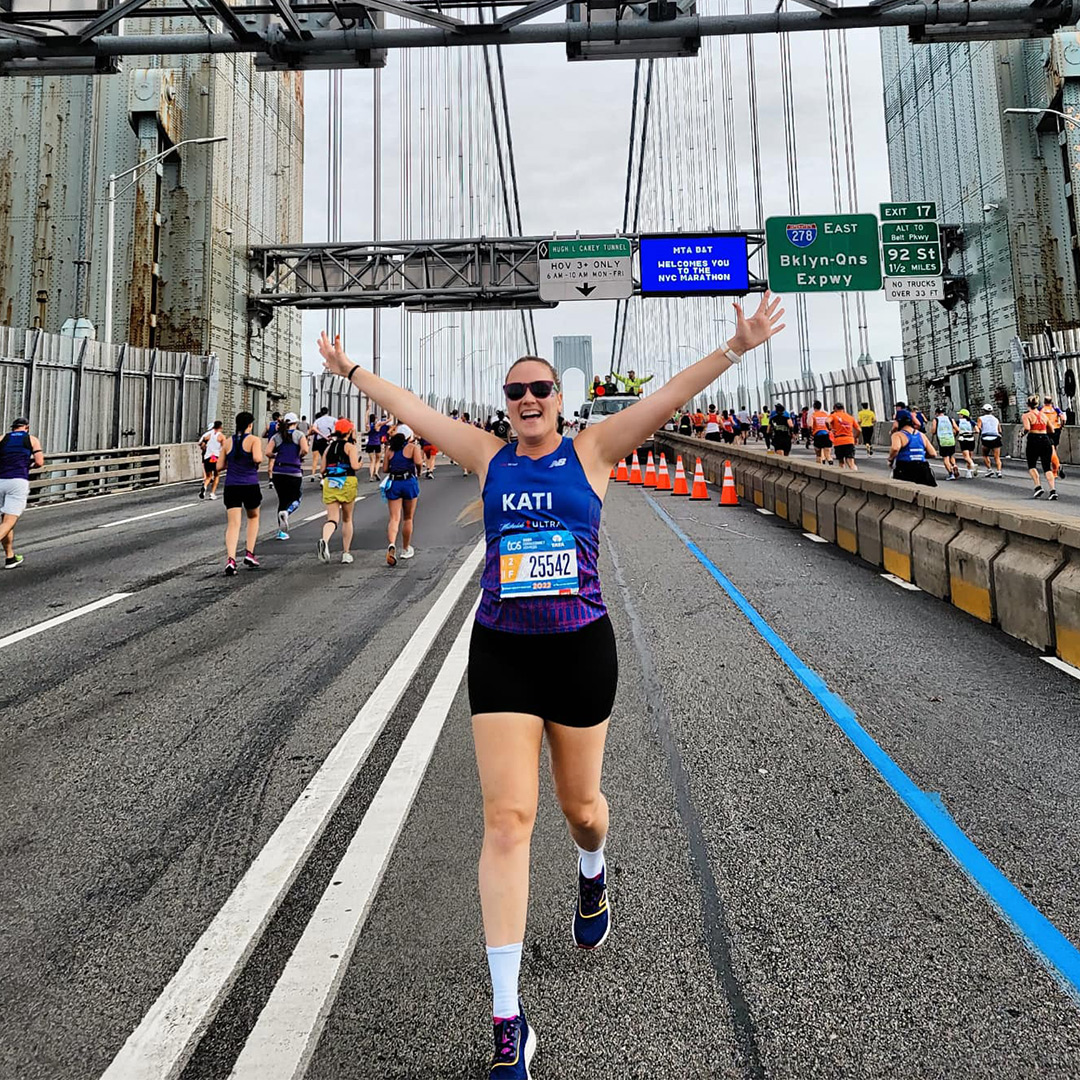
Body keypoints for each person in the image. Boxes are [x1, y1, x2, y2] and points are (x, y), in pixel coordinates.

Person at [317, 290, 785, 1080]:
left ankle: (593, 871)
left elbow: (671, 394)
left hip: (578, 652)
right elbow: (411, 406)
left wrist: (735, 349)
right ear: (505, 406)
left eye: (540, 390)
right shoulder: (487, 457)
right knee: (506, 820)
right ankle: (509, 1023)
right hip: (502, 652)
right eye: (515, 392)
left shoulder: (595, 450)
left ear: (560, 401)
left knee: (583, 811)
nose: (528, 399)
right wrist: (350, 368)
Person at [221, 411, 264, 575]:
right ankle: (249, 553)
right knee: (253, 517)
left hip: (231, 485)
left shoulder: (227, 441)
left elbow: (219, 466)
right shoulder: (253, 440)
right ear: (250, 425)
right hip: (249, 484)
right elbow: (258, 458)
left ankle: (231, 559)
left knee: (233, 524)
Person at [0, 418, 43, 569]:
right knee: (9, 521)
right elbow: (39, 462)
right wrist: (28, 465)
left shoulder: (2, 438)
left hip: (0, 481)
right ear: (27, 427)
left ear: (13, 428)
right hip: (17, 481)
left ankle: (10, 557)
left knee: (5, 521)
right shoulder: (31, 439)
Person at [318, 418, 361, 564]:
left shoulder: (328, 448)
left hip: (330, 482)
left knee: (332, 519)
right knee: (347, 519)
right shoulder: (350, 447)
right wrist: (360, 463)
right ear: (349, 432)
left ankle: (324, 539)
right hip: (347, 481)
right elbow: (354, 466)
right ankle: (346, 553)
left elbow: (322, 469)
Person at [382, 423, 424, 565]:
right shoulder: (413, 448)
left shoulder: (390, 449)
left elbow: (385, 469)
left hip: (394, 482)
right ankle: (405, 549)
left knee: (394, 518)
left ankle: (392, 544)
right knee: (408, 518)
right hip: (409, 482)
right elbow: (418, 462)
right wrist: (419, 472)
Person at [267, 412, 308, 539]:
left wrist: (277, 456)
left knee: (282, 500)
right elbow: (305, 450)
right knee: (297, 497)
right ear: (295, 423)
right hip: (293, 471)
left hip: (278, 471)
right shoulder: (299, 435)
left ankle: (281, 532)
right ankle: (287, 512)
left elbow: (268, 452)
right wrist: (299, 456)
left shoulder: (277, 437)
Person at [888, 409, 938, 487]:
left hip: (905, 468)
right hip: (923, 468)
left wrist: (890, 459)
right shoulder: (921, 435)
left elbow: (895, 448)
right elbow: (933, 453)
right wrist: (917, 455)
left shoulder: (898, 435)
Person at [1022, 395, 1058, 499]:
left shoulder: (1026, 415)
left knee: (1032, 465)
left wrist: (1022, 433)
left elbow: (1027, 428)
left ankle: (1038, 487)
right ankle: (1053, 490)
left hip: (1034, 439)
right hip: (1045, 439)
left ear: (1028, 405)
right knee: (1047, 466)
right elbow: (1052, 430)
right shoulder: (1043, 415)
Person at [829, 402, 859, 471]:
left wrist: (830, 429)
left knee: (841, 462)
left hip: (838, 441)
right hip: (849, 440)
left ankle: (842, 477)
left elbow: (827, 421)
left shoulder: (833, 415)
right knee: (851, 462)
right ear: (843, 409)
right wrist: (856, 437)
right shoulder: (850, 417)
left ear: (835, 409)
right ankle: (855, 475)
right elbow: (859, 429)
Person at [199, 420, 225, 500]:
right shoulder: (221, 436)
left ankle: (205, 486)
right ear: (220, 427)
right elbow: (224, 448)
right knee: (216, 475)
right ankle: (212, 493)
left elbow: (200, 443)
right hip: (215, 456)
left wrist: (204, 448)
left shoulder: (208, 435)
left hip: (208, 456)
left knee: (209, 476)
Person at [932, 407, 960, 480]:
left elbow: (933, 431)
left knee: (946, 458)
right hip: (951, 439)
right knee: (951, 455)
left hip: (942, 440)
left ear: (937, 413)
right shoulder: (950, 419)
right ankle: (954, 465)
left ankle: (951, 474)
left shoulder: (936, 420)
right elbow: (957, 429)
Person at [1042, 396, 1066, 479]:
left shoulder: (1041, 409)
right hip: (1056, 429)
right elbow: (1063, 418)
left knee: (1050, 450)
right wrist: (1061, 425)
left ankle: (1057, 467)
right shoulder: (1055, 409)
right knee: (1053, 448)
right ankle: (1055, 471)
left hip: (1046, 430)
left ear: (1044, 401)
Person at [977, 404, 1003, 477]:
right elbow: (999, 430)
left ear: (983, 411)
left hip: (986, 438)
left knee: (985, 455)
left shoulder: (980, 418)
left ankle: (989, 469)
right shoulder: (996, 419)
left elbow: (978, 428)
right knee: (997, 457)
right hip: (996, 438)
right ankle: (999, 471)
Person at [310, 407, 336, 481]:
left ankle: (323, 477)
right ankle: (328, 475)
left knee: (323, 458)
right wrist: (332, 434)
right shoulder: (333, 419)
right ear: (328, 412)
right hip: (330, 440)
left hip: (320, 441)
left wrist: (322, 435)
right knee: (330, 458)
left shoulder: (318, 420)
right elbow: (338, 425)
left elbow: (313, 429)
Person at [955, 409, 979, 477]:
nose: (959, 415)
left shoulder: (958, 422)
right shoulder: (971, 422)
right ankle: (968, 473)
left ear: (963, 415)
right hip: (971, 439)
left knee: (966, 457)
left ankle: (973, 465)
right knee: (970, 457)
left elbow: (956, 430)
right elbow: (977, 431)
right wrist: (971, 432)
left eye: (960, 414)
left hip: (963, 439)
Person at [363, 413, 383, 482]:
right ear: (375, 418)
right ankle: (376, 472)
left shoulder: (368, 425)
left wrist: (367, 409)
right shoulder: (377, 425)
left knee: (372, 461)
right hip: (377, 443)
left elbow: (365, 417)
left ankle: (371, 476)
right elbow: (387, 421)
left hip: (370, 444)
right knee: (378, 460)